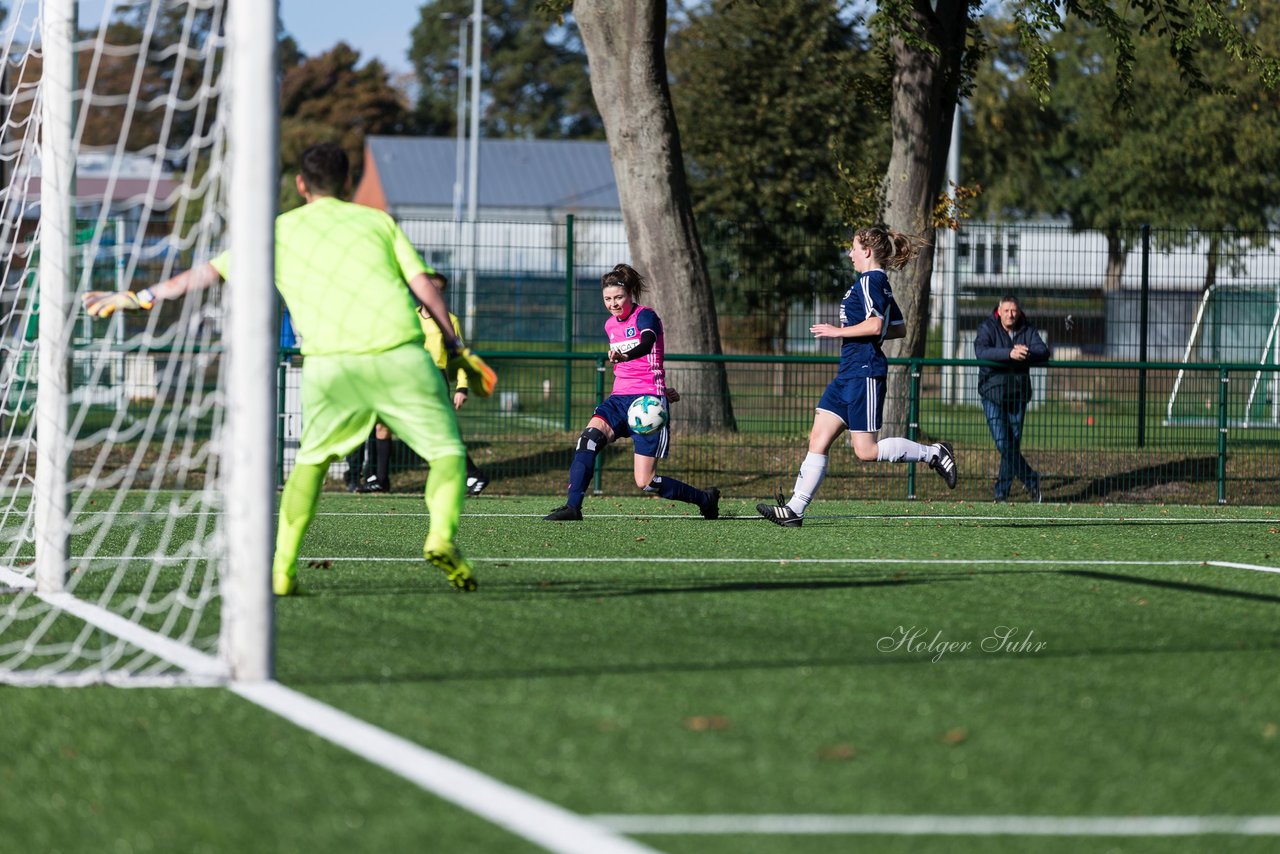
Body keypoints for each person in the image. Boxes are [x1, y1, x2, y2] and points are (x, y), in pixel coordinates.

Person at [82, 142, 495, 594]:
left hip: (329, 364)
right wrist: (455, 346)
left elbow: (202, 275)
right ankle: (439, 535)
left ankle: (282, 569)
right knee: (448, 454)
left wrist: (140, 298)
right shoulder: (378, 221)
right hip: (398, 353)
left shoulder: (277, 230)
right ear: (348, 182)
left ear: (301, 184)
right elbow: (424, 288)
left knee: (312, 463)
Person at [757, 225, 957, 528]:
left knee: (866, 451)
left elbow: (876, 326)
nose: (849, 254)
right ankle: (795, 509)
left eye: (853, 248)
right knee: (817, 440)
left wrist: (839, 331)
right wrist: (857, 334)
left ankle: (933, 453)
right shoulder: (874, 283)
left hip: (864, 372)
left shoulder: (871, 281)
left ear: (866, 250)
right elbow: (898, 328)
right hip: (847, 374)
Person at [543, 263, 720, 522]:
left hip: (647, 402)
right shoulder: (609, 325)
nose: (613, 303)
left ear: (629, 296)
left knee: (645, 481)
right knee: (588, 440)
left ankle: (705, 499)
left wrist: (631, 359)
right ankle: (573, 507)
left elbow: (648, 343)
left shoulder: (645, 316)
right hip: (619, 399)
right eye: (607, 299)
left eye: (618, 297)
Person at [974, 295, 1050, 502]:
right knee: (1003, 443)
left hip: (1018, 394)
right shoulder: (987, 327)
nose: (1011, 315)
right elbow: (981, 351)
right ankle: (1031, 478)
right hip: (993, 393)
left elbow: (1043, 351)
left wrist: (1024, 353)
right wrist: (1009, 353)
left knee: (1012, 446)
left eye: (1014, 310)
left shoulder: (1027, 328)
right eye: (1007, 310)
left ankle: (1001, 493)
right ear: (999, 310)